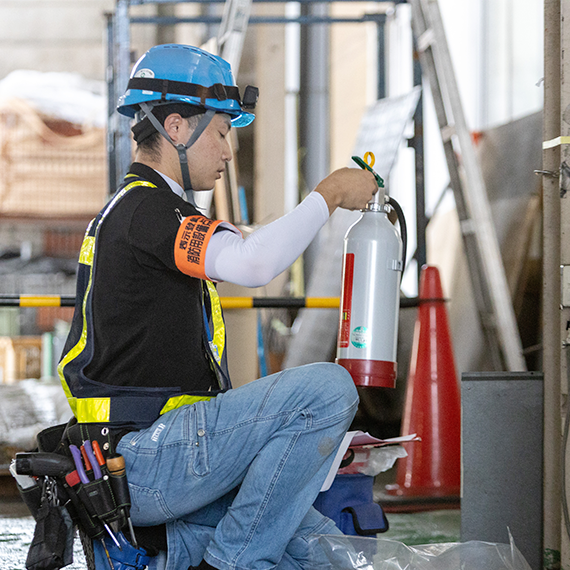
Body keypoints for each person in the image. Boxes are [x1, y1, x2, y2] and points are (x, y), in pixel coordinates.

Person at [58, 44, 377, 570]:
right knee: (326, 391)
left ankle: (166, 557)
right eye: (223, 132)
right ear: (177, 127)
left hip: (141, 460)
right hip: (146, 456)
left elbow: (242, 246)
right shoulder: (148, 210)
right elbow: (253, 264)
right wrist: (330, 194)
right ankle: (231, 563)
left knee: (318, 549)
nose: (229, 151)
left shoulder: (149, 212)